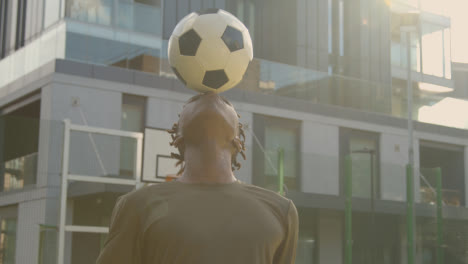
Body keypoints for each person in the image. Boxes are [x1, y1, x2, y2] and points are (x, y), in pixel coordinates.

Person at [96, 91, 299, 264]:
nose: (210, 95)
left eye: (225, 102)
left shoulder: (281, 211)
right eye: (192, 101)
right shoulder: (136, 205)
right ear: (178, 137)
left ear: (238, 140)